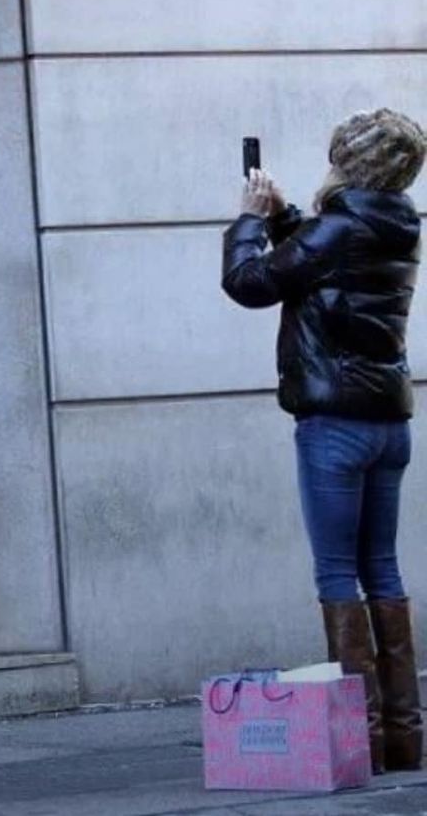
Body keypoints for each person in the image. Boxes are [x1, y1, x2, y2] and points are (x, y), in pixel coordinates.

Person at [223, 108, 427, 774]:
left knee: (337, 574)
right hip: (386, 424)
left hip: (333, 426)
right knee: (383, 570)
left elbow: (251, 283)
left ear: (352, 163)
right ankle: (401, 736)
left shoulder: (341, 225)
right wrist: (286, 220)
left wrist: (250, 220)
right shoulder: (396, 223)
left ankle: (358, 740)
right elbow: (324, 270)